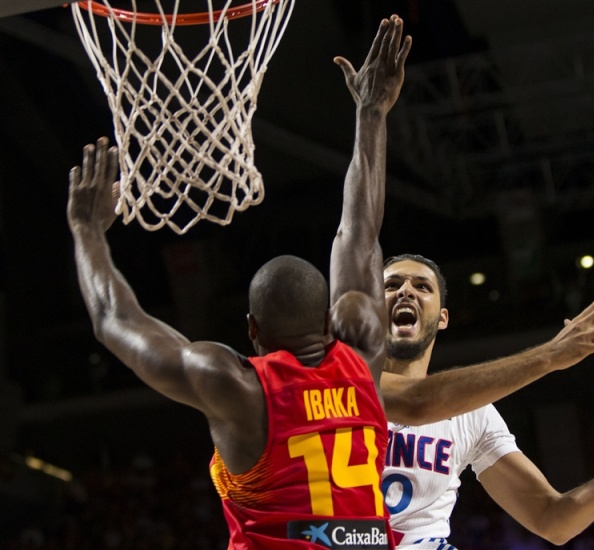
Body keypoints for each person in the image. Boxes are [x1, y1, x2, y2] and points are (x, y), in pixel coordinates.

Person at [67, 15, 411, 550]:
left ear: (252, 331)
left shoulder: (237, 387)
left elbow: (114, 320)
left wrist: (86, 229)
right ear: (326, 323)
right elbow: (359, 232)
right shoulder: (363, 350)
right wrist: (372, 112)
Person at [379, 253, 594, 549]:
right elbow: (418, 402)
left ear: (442, 318)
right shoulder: (336, 380)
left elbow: (553, 520)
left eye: (422, 286)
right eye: (391, 285)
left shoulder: (474, 416)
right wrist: (549, 356)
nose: (406, 290)